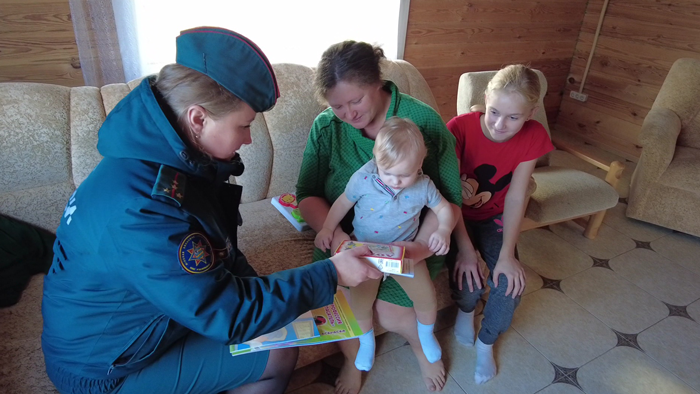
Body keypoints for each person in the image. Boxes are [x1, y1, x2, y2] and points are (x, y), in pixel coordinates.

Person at [41, 27, 382, 394]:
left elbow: (218, 253)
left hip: (146, 325)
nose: (249, 139)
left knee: (278, 338)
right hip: (106, 370)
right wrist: (329, 274)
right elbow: (228, 313)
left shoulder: (171, 159)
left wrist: (261, 289)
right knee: (279, 353)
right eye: (244, 125)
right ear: (198, 119)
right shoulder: (143, 209)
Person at [296, 41, 465, 394]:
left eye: (355, 100)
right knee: (345, 309)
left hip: (409, 243)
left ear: (377, 82)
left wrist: (422, 248)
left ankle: (422, 348)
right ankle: (353, 359)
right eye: (337, 105)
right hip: (349, 240)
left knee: (392, 313)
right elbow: (307, 194)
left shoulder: (422, 123)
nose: (348, 113)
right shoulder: (327, 126)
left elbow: (447, 199)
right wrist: (338, 238)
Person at [315, 117, 456, 372]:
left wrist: (444, 230)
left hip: (403, 252)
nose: (395, 181)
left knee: (426, 296)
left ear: (420, 164)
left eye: (404, 175)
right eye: (387, 172)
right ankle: (365, 341)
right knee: (359, 302)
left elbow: (445, 209)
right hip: (365, 251)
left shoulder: (424, 185)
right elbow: (342, 203)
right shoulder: (364, 178)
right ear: (376, 160)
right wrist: (327, 228)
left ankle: (425, 336)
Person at [446, 64, 554, 384]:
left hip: (494, 218)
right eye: (494, 112)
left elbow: (517, 196)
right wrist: (466, 250)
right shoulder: (459, 128)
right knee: (468, 281)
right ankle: (466, 312)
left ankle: (486, 343)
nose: (499, 125)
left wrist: (507, 254)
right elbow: (450, 195)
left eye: (513, 117)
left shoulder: (534, 136)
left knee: (510, 284)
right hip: (455, 217)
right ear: (485, 100)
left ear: (531, 113)